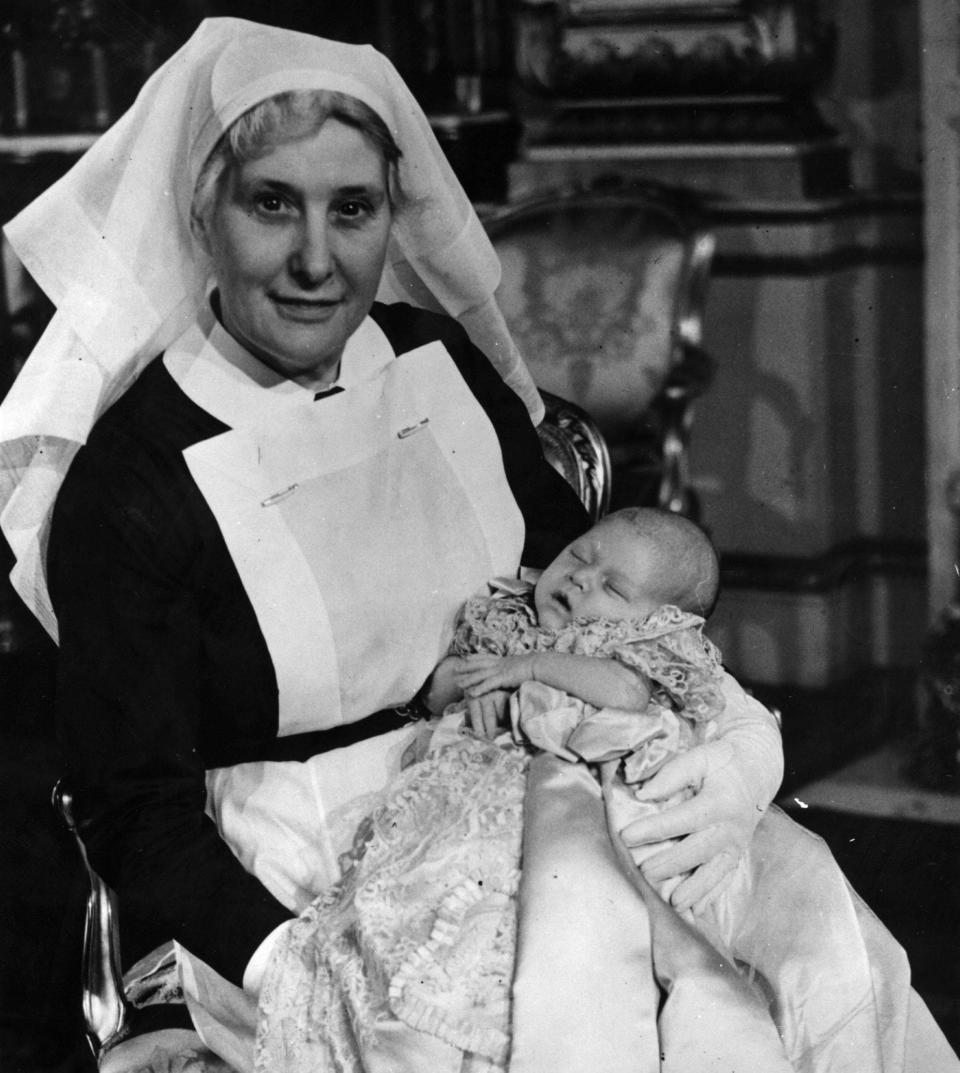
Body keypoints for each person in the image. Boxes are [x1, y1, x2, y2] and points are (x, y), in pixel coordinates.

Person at [0, 16, 951, 1073]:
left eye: (352, 208)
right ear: (200, 211)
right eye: (272, 202)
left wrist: (736, 747)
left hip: (547, 785)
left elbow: (598, 596)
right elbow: (134, 809)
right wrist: (292, 969)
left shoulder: (436, 361)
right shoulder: (134, 484)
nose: (316, 260)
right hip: (313, 877)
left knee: (794, 955)